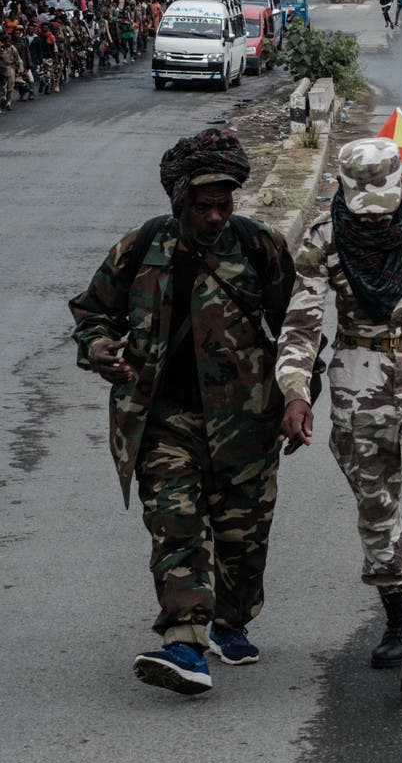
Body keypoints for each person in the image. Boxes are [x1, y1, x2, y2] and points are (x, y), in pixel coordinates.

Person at [68, 129, 295, 696]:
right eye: (203, 207)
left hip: (247, 424)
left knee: (243, 543)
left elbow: (299, 329)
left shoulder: (258, 246)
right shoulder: (142, 248)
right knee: (177, 528)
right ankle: (186, 645)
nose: (216, 216)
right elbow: (92, 313)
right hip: (163, 422)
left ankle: (230, 621)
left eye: (224, 204)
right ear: (178, 203)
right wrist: (97, 349)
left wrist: (298, 396)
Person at [275, 136, 402, 694]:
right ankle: (398, 613)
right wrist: (296, 392)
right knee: (377, 506)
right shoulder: (324, 237)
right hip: (359, 379)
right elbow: (300, 324)